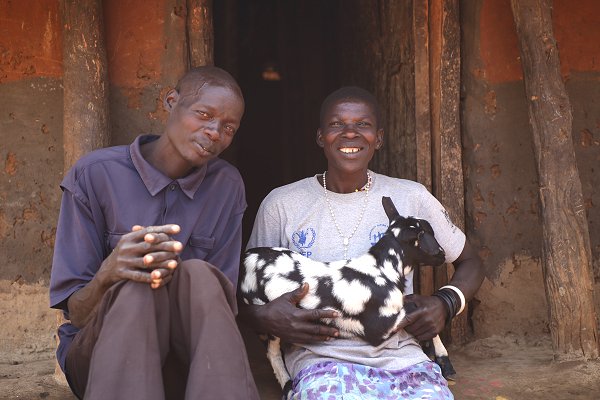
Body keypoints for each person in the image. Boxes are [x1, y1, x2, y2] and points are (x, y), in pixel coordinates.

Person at [240, 86, 484, 399]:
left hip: (404, 359)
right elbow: (243, 290)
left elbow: (471, 262)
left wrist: (446, 302)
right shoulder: (282, 204)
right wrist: (265, 316)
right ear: (320, 137)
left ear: (379, 138)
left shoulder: (411, 197)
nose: (350, 133)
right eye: (337, 124)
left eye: (363, 125)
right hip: (320, 362)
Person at [49, 66, 260, 400]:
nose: (215, 132)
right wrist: (111, 273)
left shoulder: (226, 186)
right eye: (204, 114)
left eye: (229, 127)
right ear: (170, 101)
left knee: (202, 277)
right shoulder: (95, 174)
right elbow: (75, 312)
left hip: (189, 362)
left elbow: (219, 311)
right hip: (103, 358)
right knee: (137, 286)